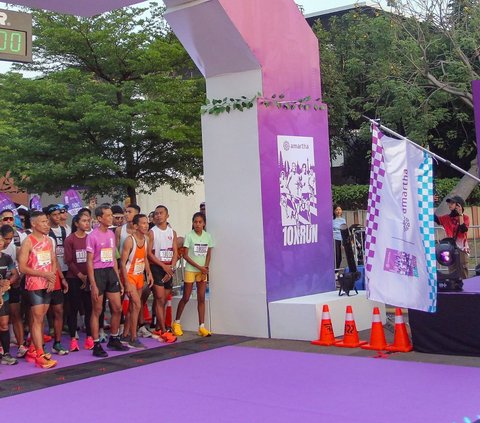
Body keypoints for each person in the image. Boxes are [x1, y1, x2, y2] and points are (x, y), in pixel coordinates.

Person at [18, 210, 58, 369]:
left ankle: (36, 349)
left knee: (41, 319)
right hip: (34, 284)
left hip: (47, 284)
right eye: (43, 222)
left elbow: (53, 260)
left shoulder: (49, 241)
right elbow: (22, 267)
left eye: (47, 222)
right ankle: (39, 355)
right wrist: (44, 274)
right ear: (34, 224)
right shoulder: (28, 241)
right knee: (37, 318)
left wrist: (52, 278)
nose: (46, 225)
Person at [86, 205, 128, 357]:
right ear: (99, 218)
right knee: (97, 310)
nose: (111, 218)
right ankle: (96, 343)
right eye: (108, 215)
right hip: (98, 273)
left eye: (111, 215)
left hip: (110, 271)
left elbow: (113, 258)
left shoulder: (111, 234)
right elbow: (89, 261)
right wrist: (93, 283)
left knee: (117, 308)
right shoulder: (92, 236)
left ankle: (114, 338)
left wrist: (118, 278)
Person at [172, 212, 213, 337]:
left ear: (204, 223)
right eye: (195, 222)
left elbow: (209, 253)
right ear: (192, 223)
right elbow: (185, 255)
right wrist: (200, 267)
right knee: (186, 297)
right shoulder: (189, 236)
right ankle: (177, 322)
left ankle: (201, 326)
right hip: (191, 270)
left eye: (200, 222)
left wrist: (205, 267)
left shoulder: (208, 236)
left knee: (201, 298)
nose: (198, 224)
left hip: (202, 271)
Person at [120, 214, 154, 349]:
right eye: (143, 223)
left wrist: (149, 273)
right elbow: (122, 263)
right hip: (130, 276)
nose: (146, 225)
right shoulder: (129, 240)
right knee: (137, 305)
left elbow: (145, 258)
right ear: (135, 226)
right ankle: (133, 337)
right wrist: (126, 282)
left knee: (132, 308)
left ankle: (125, 334)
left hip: (139, 275)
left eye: (147, 223)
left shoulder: (145, 239)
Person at [64, 213, 94, 351]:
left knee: (89, 308)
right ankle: (73, 338)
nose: (87, 223)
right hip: (73, 279)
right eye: (84, 221)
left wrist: (88, 276)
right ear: (76, 223)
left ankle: (89, 337)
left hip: (88, 278)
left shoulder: (90, 238)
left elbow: (94, 259)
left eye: (88, 221)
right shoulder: (70, 239)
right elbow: (68, 261)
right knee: (73, 308)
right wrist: (80, 275)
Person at [147, 205, 177, 343]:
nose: (158, 216)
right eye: (156, 214)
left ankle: (160, 326)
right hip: (157, 267)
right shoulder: (152, 232)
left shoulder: (172, 232)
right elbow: (148, 253)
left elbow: (175, 251)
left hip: (168, 268)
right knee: (159, 298)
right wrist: (163, 266)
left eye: (161, 213)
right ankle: (164, 330)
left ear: (167, 215)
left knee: (164, 299)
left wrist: (171, 267)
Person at [434, 196, 470, 279]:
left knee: (462, 269)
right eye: (449, 203)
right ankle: (454, 288)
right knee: (452, 270)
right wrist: (430, 203)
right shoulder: (446, 218)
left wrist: (460, 214)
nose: (449, 204)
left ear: (458, 205)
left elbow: (463, 229)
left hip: (462, 248)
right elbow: (434, 218)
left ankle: (465, 289)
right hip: (450, 247)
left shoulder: (465, 218)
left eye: (452, 203)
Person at [0, 233, 19, 365]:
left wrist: (8, 283)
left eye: (1, 240)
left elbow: (15, 275)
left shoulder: (6, 258)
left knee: (4, 325)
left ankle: (6, 354)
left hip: (4, 296)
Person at [333, 204, 346, 271]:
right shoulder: (332, 220)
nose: (338, 211)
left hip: (341, 239)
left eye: (340, 209)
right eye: (337, 210)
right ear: (334, 211)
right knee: (336, 256)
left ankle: (337, 270)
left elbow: (344, 230)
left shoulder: (343, 220)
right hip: (335, 239)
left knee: (340, 257)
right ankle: (335, 270)